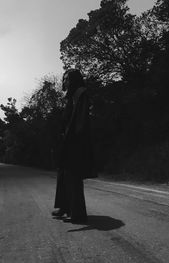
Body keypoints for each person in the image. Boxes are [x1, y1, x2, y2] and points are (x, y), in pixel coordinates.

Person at [52, 68, 96, 224]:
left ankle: (78, 213)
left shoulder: (81, 93)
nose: (64, 82)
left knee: (73, 177)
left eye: (67, 79)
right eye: (64, 79)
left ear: (74, 80)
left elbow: (81, 122)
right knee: (63, 175)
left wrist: (75, 141)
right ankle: (65, 207)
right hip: (68, 142)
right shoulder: (71, 97)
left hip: (75, 143)